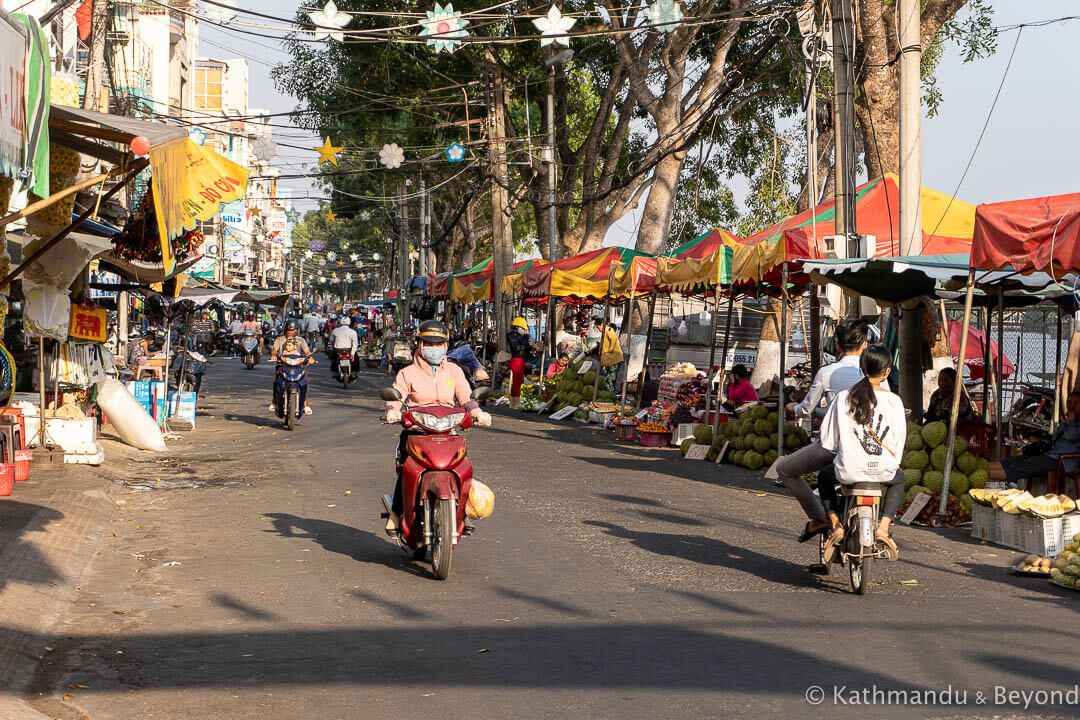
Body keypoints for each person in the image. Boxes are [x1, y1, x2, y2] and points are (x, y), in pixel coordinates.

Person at [384, 320, 491, 534]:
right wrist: (392, 411)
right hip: (417, 430)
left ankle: (462, 513)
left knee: (463, 466)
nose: (435, 348)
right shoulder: (408, 373)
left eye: (439, 344)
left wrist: (477, 412)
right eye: (429, 343)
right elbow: (397, 395)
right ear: (420, 344)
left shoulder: (454, 371)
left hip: (448, 431)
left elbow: (465, 395)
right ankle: (396, 514)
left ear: (446, 345)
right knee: (407, 469)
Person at [777, 319, 874, 540]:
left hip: (832, 447)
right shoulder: (876, 376)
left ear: (837, 345)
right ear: (865, 344)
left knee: (785, 470)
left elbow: (807, 409)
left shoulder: (827, 372)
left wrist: (795, 407)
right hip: (868, 449)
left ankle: (819, 518)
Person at [816, 344, 906, 561]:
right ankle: (883, 528)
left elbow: (828, 441)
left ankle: (836, 524)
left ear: (862, 367)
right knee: (900, 478)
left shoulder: (843, 397)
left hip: (848, 471)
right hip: (884, 471)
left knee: (823, 477)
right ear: (887, 371)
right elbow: (899, 445)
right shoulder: (894, 401)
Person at [988, 391, 1080, 488]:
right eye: (1069, 403)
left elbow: (1070, 436)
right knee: (1014, 460)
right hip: (1050, 456)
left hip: (1063, 462)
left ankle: (980, 475)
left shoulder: (1072, 423)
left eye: (1076, 403)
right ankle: (979, 469)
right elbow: (1057, 439)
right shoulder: (1069, 421)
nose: (1071, 406)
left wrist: (1070, 421)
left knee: (1019, 468)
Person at [269, 318, 315, 415]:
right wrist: (273, 356)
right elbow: (274, 350)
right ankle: (274, 402)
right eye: (288, 330)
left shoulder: (301, 340)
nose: (290, 332)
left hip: (298, 366)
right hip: (283, 365)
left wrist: (310, 358)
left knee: (306, 381)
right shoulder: (279, 339)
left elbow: (307, 352)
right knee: (276, 381)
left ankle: (305, 404)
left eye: (292, 330)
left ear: (297, 330)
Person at [506, 316, 534, 409]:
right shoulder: (512, 336)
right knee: (517, 381)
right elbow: (516, 348)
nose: (523, 330)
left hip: (521, 360)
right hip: (516, 360)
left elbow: (526, 348)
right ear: (517, 327)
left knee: (518, 381)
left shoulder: (519, 336)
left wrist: (529, 345)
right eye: (522, 328)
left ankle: (513, 402)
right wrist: (526, 345)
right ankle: (515, 402)